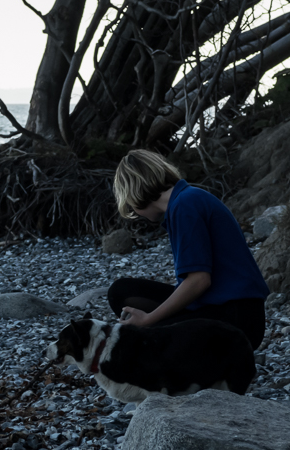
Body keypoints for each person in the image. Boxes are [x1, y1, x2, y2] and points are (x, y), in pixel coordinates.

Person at [108, 149, 270, 349]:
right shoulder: (185, 200)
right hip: (220, 309)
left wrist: (148, 320)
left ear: (134, 194)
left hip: (236, 320)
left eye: (130, 206)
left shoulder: (185, 205)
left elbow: (199, 280)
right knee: (121, 292)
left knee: (145, 343)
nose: (134, 211)